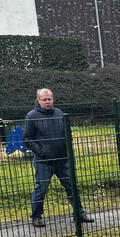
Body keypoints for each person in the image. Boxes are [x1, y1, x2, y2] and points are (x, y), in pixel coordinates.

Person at [23, 88, 94, 227]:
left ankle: (79, 214)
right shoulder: (31, 116)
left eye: (49, 99)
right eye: (44, 99)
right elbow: (27, 139)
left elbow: (67, 133)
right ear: (38, 100)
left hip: (63, 159)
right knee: (41, 189)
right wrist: (41, 152)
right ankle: (36, 216)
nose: (47, 102)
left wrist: (68, 150)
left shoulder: (60, 113)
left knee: (72, 186)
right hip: (44, 161)